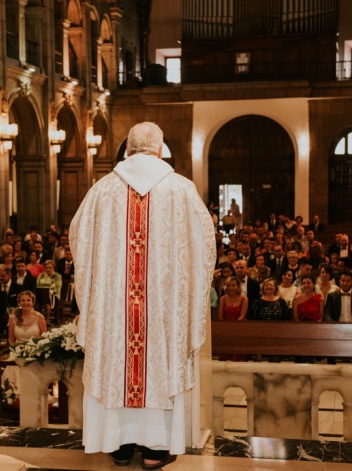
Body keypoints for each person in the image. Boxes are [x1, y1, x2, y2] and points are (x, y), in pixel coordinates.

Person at [69, 122, 215, 469]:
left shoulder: (102, 190)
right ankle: (154, 450)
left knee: (117, 362)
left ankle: (118, 446)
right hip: (162, 316)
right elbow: (205, 246)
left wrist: (103, 285)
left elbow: (79, 240)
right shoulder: (181, 190)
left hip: (116, 314)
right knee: (158, 368)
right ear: (160, 150)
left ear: (128, 149)